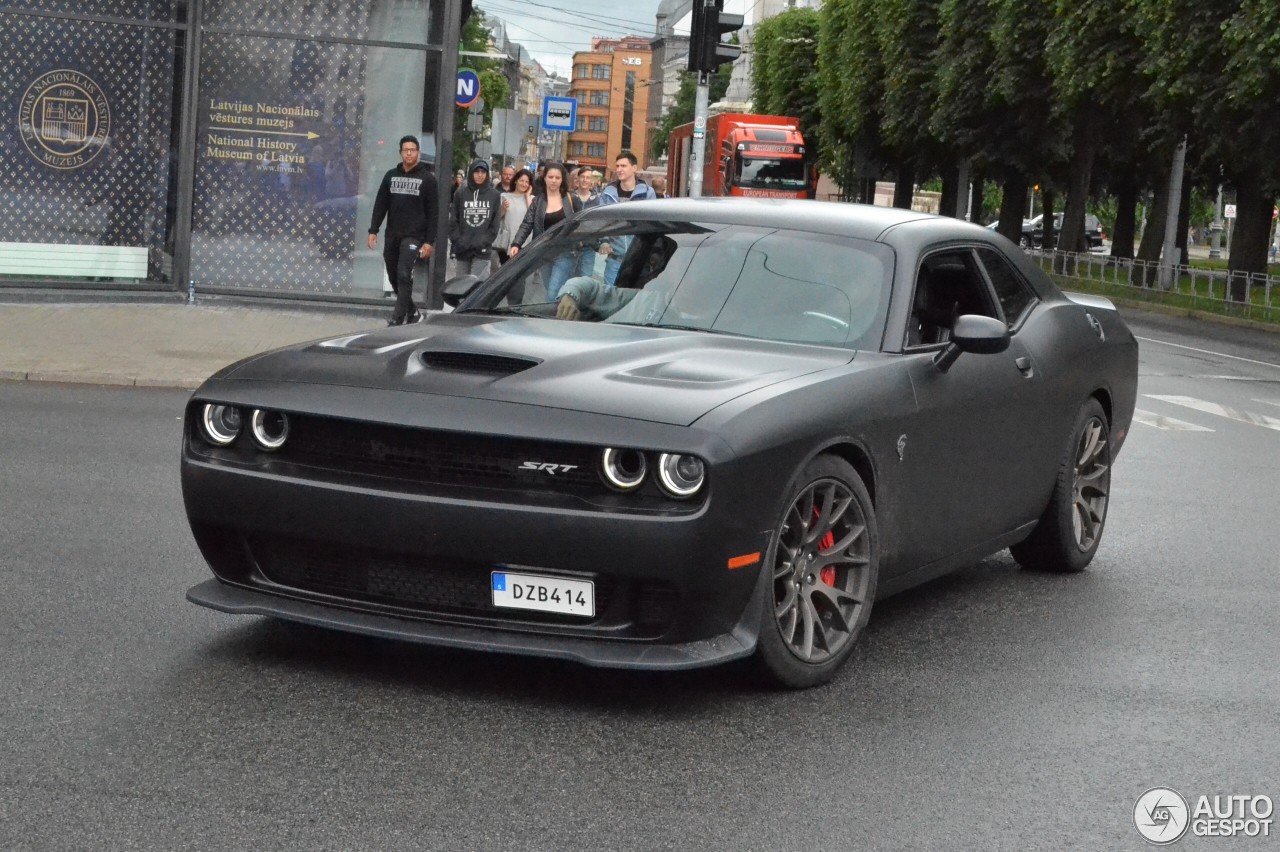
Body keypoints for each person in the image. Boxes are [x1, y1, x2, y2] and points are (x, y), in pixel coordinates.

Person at [368, 135, 437, 325]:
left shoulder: (428, 179)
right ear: (400, 153)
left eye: (412, 150)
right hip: (393, 235)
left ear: (418, 153)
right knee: (393, 276)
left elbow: (433, 213)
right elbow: (380, 204)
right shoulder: (391, 176)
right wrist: (373, 230)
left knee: (404, 274)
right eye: (405, 150)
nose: (409, 153)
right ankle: (413, 312)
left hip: (414, 236)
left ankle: (397, 320)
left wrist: (429, 241)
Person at [508, 162, 583, 301]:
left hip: (565, 252)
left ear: (562, 180)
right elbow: (527, 224)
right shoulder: (538, 201)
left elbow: (583, 224)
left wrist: (593, 243)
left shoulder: (572, 199)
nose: (554, 180)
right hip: (543, 252)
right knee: (553, 292)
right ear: (545, 178)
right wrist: (516, 244)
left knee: (552, 294)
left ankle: (552, 321)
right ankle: (563, 317)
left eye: (557, 177)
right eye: (550, 177)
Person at [596, 151, 657, 285]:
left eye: (623, 166)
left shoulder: (647, 193)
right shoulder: (608, 193)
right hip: (615, 258)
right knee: (611, 297)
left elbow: (653, 224)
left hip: (639, 260)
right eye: (617, 166)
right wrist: (604, 242)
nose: (619, 170)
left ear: (634, 168)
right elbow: (602, 221)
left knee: (635, 299)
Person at [448, 159, 502, 281]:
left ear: (487, 174)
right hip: (463, 249)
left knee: (476, 287)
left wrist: (482, 241)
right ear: (471, 173)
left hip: (482, 250)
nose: (479, 175)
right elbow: (453, 221)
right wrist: (459, 240)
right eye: (476, 171)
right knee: (461, 287)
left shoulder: (494, 195)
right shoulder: (460, 194)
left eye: (483, 172)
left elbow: (495, 224)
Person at [493, 168, 534, 268]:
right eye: (521, 181)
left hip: (525, 243)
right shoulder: (504, 196)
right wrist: (503, 208)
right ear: (516, 180)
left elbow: (533, 216)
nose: (524, 184)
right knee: (505, 274)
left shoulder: (532, 199)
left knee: (520, 276)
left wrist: (527, 197)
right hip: (507, 242)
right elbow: (496, 219)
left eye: (527, 182)